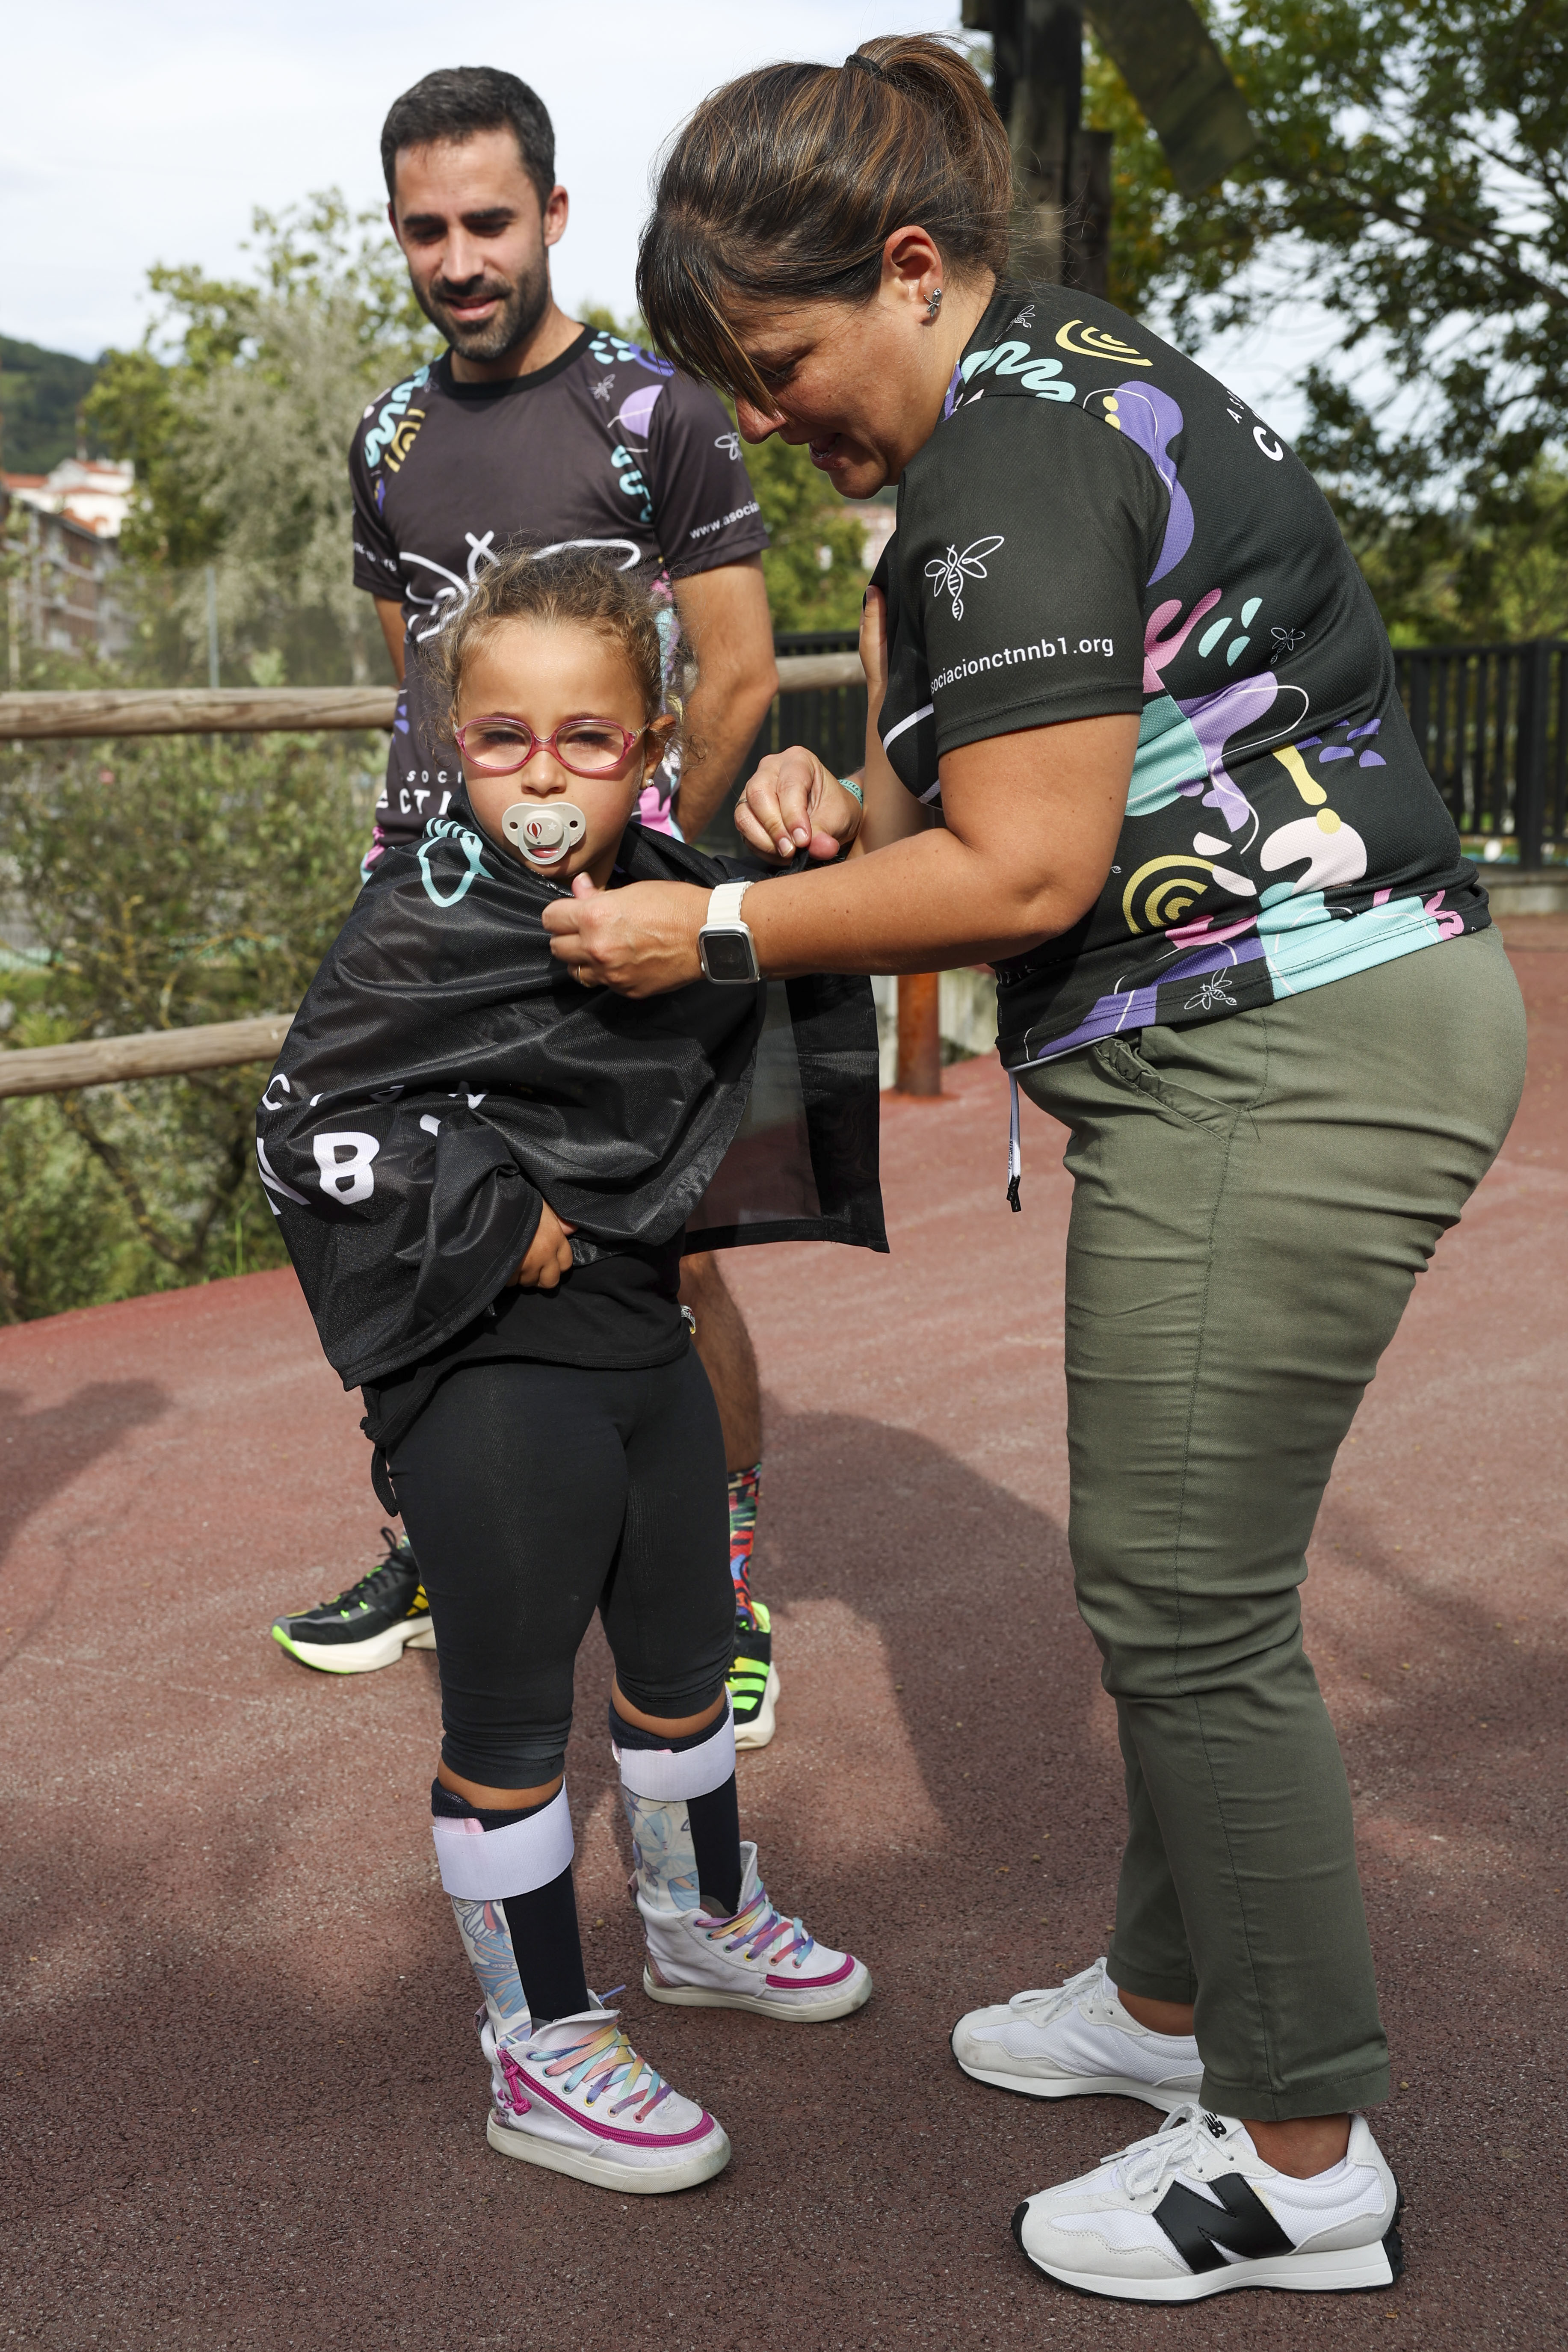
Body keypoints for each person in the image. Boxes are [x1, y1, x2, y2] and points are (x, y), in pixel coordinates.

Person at [539, 33, 1528, 2301]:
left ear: (910, 268)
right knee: (1205, 1583)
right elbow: (959, 818)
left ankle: (1292, 2156)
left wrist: (705, 909)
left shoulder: (1008, 449)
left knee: (1185, 1604)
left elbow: (1028, 865)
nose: (773, 422)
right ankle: (1168, 2000)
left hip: (1282, 1047)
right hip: (1302, 1022)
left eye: (782, 366)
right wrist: (820, 812)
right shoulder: (1056, 401)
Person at [256, 549, 879, 2192]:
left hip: (644, 1353)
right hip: (492, 1375)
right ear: (448, 740)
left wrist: (809, 823)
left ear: (654, 737)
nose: (541, 775)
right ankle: (536, 2044)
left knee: (683, 1671)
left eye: (585, 739)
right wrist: (481, 1207)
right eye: (501, 738)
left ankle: (696, 1920)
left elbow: (790, 940)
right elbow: (299, 1130)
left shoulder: (675, 885)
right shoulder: (419, 915)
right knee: (513, 1719)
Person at [269, 66, 783, 1747]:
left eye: (488, 221)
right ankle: (438, 1547)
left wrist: (645, 878)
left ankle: (717, 1574)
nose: (457, 255)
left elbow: (737, 674)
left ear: (553, 217)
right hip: (422, 921)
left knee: (666, 1249)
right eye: (425, 228)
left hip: (606, 913)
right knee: (408, 1218)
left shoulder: (658, 416)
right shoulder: (390, 436)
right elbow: (410, 681)